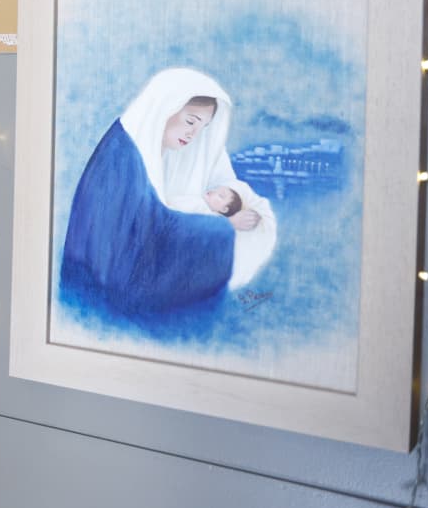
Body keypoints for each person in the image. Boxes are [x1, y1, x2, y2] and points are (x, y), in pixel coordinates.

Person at [60, 67, 277, 324]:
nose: (193, 135)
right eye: (190, 121)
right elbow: (147, 228)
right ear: (166, 108)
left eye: (202, 128)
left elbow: (226, 181)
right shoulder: (123, 154)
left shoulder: (158, 145)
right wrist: (225, 226)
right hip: (104, 291)